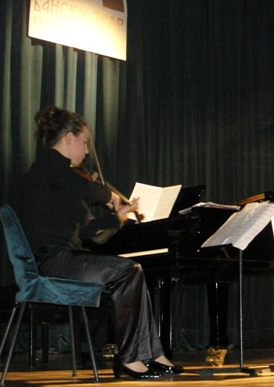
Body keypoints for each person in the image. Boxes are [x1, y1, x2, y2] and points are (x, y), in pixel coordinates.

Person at [14, 105, 184, 379]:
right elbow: (87, 188)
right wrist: (109, 195)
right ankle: (129, 358)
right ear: (69, 138)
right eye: (84, 143)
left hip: (59, 257)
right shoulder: (49, 164)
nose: (86, 151)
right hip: (49, 259)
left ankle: (152, 353)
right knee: (129, 271)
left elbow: (86, 232)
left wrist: (118, 217)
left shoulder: (59, 180)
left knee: (132, 273)